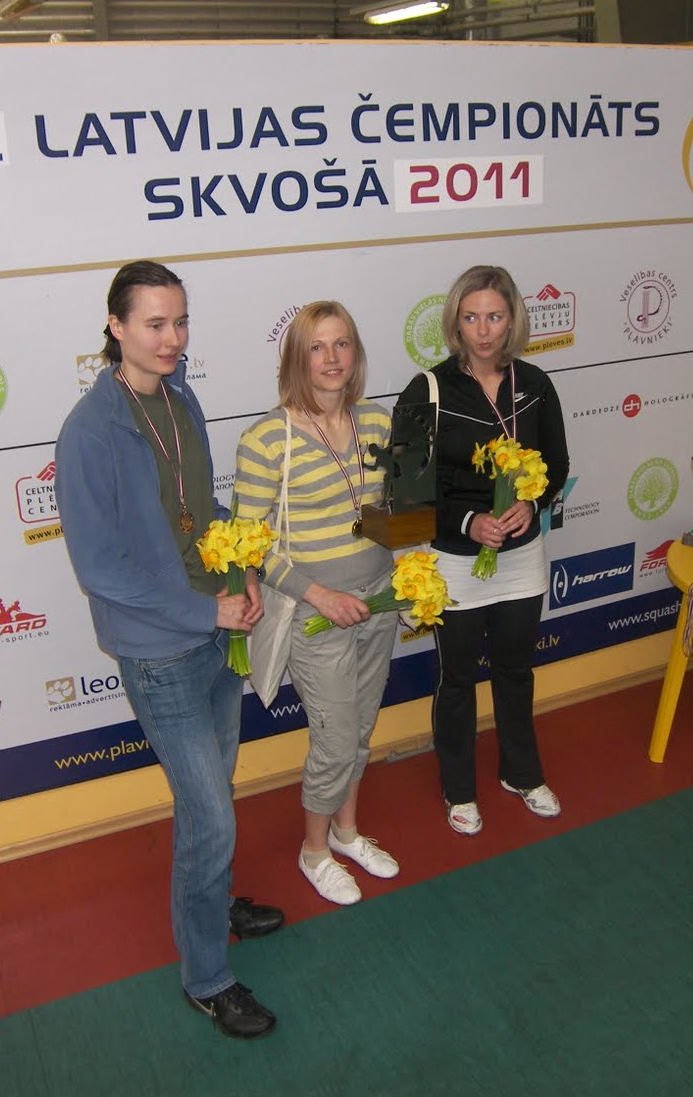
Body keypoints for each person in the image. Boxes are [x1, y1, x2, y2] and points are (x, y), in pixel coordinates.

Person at [54, 260, 283, 1041]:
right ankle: (207, 978)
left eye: (180, 322)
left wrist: (241, 568)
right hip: (161, 652)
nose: (172, 339)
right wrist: (202, 608)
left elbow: (202, 509)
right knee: (210, 814)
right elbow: (100, 568)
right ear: (115, 326)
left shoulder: (180, 397)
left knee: (212, 794)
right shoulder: (90, 431)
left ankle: (213, 905)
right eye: (154, 323)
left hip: (216, 626)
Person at [234, 302, 400, 905]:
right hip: (314, 612)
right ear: (295, 358)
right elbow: (249, 544)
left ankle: (347, 832)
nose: (331, 358)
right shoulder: (266, 439)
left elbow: (388, 510)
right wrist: (319, 595)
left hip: (378, 600)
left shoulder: (377, 421)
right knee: (334, 739)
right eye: (317, 347)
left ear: (356, 353)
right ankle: (314, 851)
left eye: (342, 344)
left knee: (361, 730)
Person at [397, 265, 570, 834]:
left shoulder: (536, 384)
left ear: (512, 318)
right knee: (457, 679)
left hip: (521, 557)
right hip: (454, 559)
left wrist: (531, 504)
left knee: (516, 670)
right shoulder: (426, 390)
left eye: (494, 316)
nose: (484, 330)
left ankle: (522, 773)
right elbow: (410, 489)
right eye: (471, 318)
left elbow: (557, 463)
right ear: (455, 323)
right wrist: (469, 522)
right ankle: (459, 787)